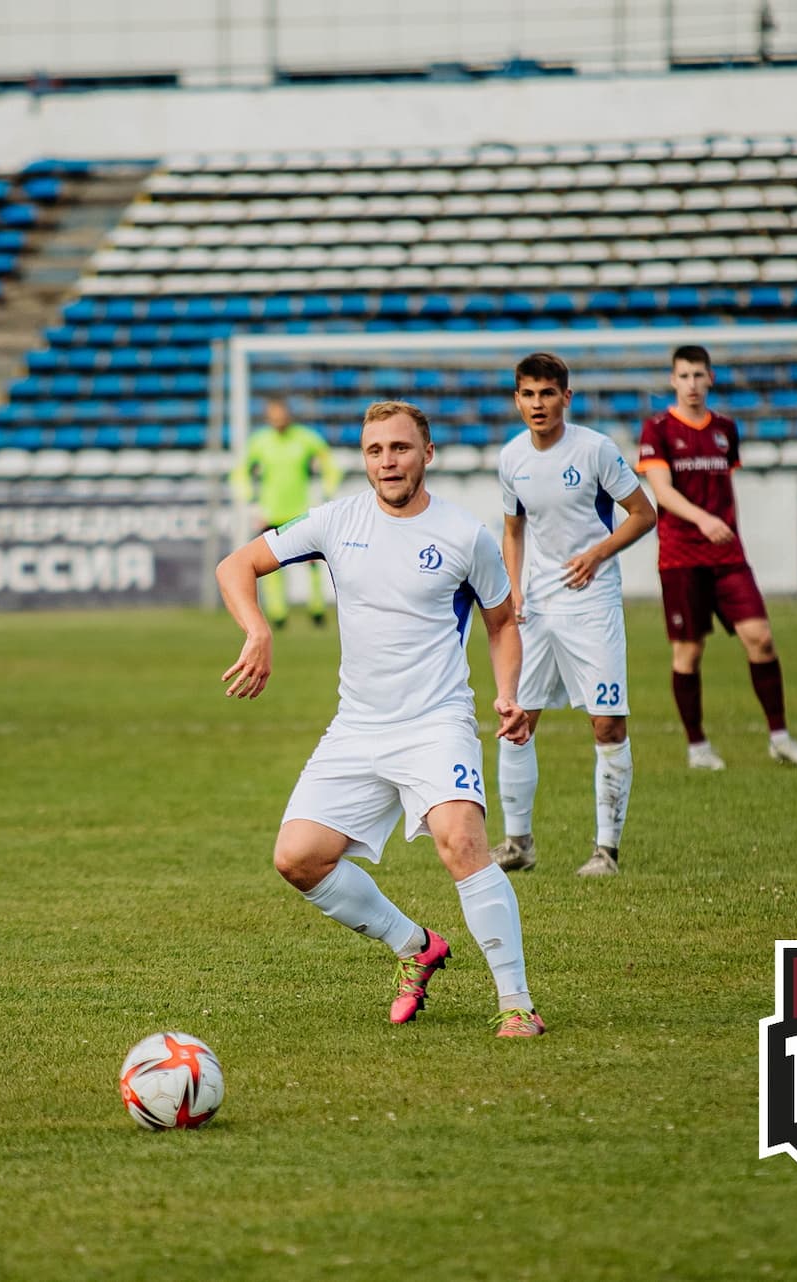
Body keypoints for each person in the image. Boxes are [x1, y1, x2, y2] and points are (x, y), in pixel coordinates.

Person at [216, 400, 545, 1038]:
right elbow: (236, 566)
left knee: (462, 842)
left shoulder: (464, 535)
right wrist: (257, 630)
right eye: (374, 451)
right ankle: (415, 946)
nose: (387, 462)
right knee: (298, 859)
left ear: (427, 454)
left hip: (436, 722)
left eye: (399, 448)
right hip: (358, 726)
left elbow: (503, 622)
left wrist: (509, 694)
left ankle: (517, 1003)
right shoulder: (335, 520)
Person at [491, 352, 658, 878]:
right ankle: (518, 843)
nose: (537, 404)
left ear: (566, 396)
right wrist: (513, 589)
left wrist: (597, 554)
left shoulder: (595, 450)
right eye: (528, 394)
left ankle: (606, 851)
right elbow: (513, 530)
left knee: (607, 724)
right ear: (517, 400)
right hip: (537, 608)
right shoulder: (511, 458)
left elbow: (644, 514)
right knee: (517, 720)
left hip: (592, 604)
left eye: (547, 393)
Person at [638, 345, 797, 770]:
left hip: (727, 554)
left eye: (698, 375)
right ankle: (697, 746)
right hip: (682, 556)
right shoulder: (658, 429)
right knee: (689, 652)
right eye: (684, 376)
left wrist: (719, 525)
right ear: (673, 380)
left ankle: (780, 737)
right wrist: (703, 520)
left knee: (761, 638)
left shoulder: (724, 428)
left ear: (711, 378)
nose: (692, 384)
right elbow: (661, 491)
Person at [228, 396, 343, 628]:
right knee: (271, 568)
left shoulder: (306, 438)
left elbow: (330, 465)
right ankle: (278, 613)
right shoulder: (260, 442)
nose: (278, 419)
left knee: (313, 562)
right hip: (271, 514)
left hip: (301, 512)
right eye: (273, 415)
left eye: (281, 414)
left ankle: (317, 609)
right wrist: (249, 499)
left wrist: (326, 491)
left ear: (288, 414)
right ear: (268, 417)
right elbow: (240, 473)